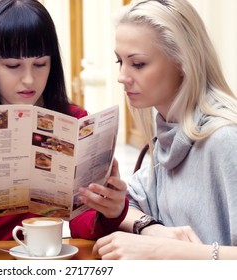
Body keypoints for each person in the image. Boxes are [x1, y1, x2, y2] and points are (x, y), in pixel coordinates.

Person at [0, 0, 128, 244]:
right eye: (13, 66)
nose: (28, 79)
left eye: (40, 64)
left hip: (45, 259)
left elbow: (82, 227)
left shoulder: (74, 120)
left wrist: (111, 211)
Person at [79, 0, 237, 259]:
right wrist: (147, 226)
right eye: (119, 61)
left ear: (183, 61)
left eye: (138, 64)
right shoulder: (167, 133)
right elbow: (131, 205)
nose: (121, 76)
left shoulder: (226, 140)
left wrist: (166, 251)